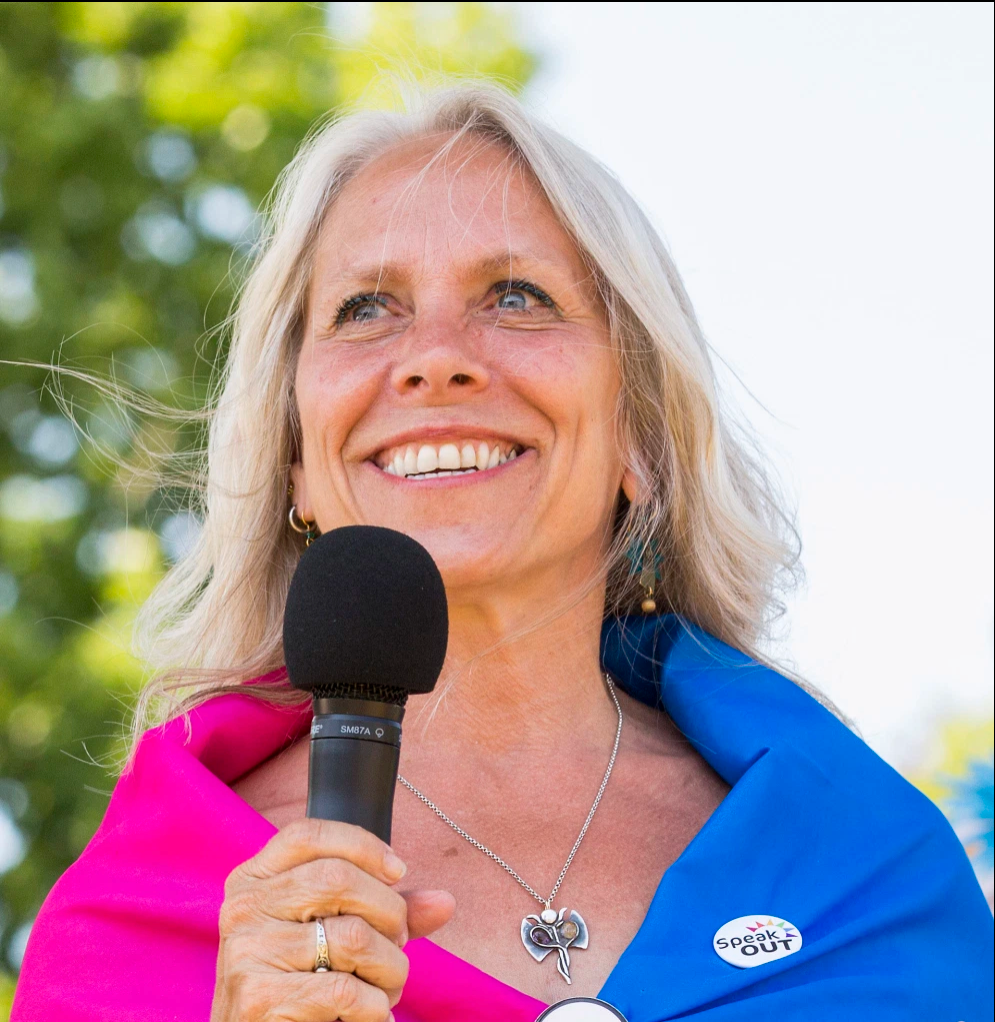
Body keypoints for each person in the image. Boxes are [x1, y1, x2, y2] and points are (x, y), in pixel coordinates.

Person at [12, 82, 992, 1022]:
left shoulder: (869, 874)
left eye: (515, 296)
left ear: (641, 435)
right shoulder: (133, 925)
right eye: (365, 308)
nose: (435, 356)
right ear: (294, 460)